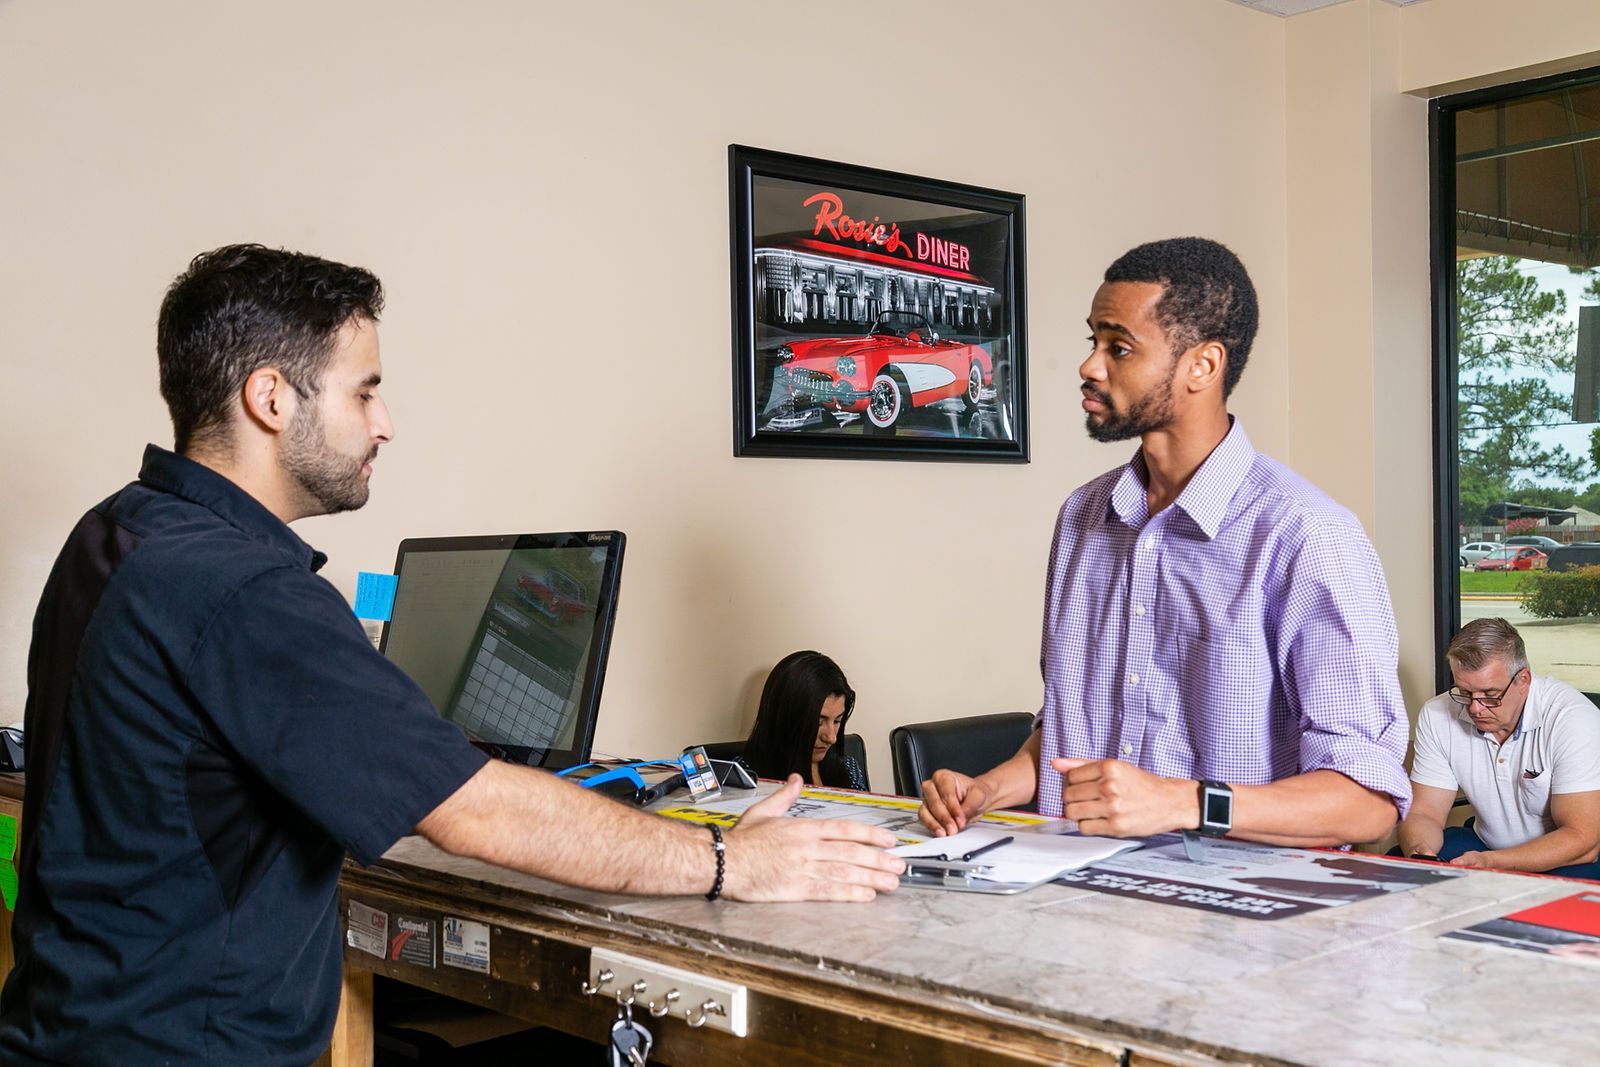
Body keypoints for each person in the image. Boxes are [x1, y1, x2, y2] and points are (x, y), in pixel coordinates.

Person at [0, 245, 904, 1066]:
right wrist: (727, 863)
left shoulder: (118, 530)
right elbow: (474, 813)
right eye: (363, 389)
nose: (384, 421)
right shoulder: (248, 593)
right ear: (271, 399)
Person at [919, 237, 1410, 846]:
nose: (1090, 366)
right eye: (1092, 342)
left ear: (1203, 366)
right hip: (1074, 901)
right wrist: (991, 788)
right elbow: (1074, 731)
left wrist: (1183, 803)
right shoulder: (1082, 518)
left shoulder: (1306, 534)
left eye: (1118, 347)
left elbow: (1367, 804)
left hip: (1239, 923)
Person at [1397, 617, 1600, 878]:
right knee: (1401, 866)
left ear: (1523, 680)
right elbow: (1424, 813)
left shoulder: (1573, 718)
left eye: (1490, 695)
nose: (1474, 708)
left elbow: (1582, 840)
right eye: (1465, 692)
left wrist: (1492, 863)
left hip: (1570, 858)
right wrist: (1421, 855)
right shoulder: (1437, 714)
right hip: (1485, 846)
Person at [738, 650, 868, 789]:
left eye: (837, 721)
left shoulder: (848, 768)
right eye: (818, 722)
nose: (831, 738)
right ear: (787, 718)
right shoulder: (746, 774)